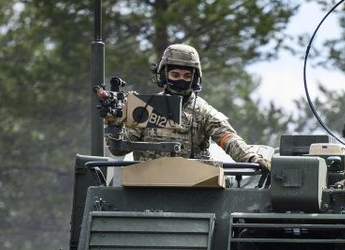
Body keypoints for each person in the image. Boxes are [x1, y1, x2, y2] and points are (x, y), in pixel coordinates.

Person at [113, 44, 270, 170]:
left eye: (187, 76)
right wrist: (115, 122)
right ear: (164, 75)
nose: (181, 80)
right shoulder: (145, 108)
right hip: (147, 187)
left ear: (195, 79)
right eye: (175, 75)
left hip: (194, 189)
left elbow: (228, 138)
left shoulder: (203, 112)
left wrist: (252, 157)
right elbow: (118, 149)